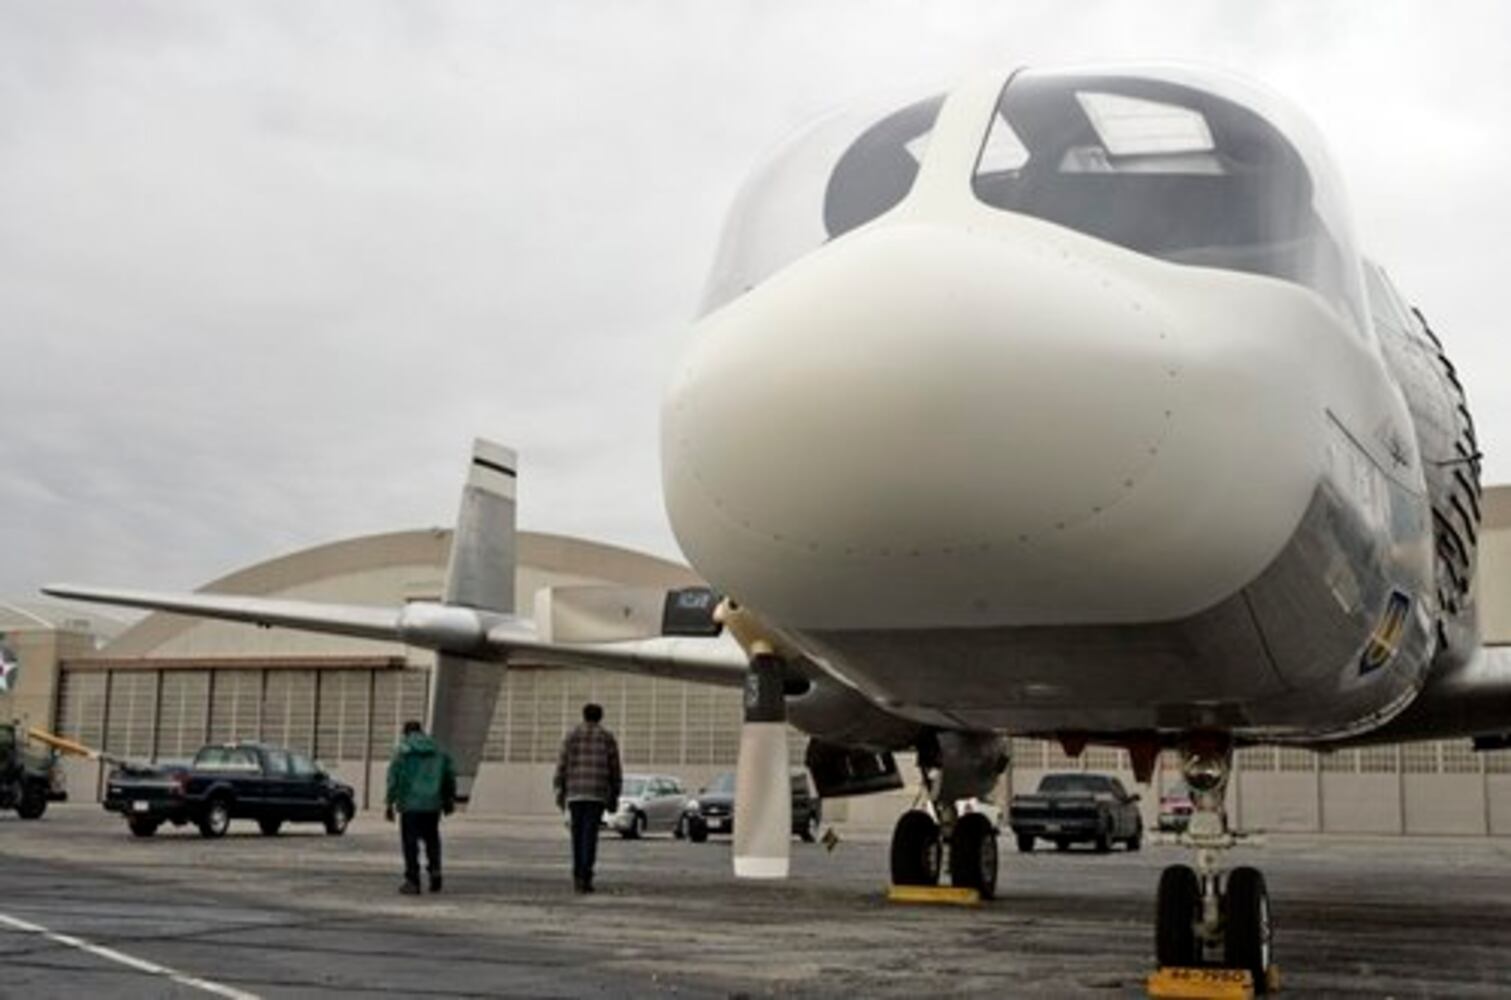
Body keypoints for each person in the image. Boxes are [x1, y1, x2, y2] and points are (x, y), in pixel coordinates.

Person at [553, 702, 622, 894]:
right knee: (590, 835)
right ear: (600, 717)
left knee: (577, 834)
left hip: (575, 792)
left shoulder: (572, 735)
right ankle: (586, 875)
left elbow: (562, 763)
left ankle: (577, 874)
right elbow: (615, 768)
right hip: (596, 793)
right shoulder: (607, 738)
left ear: (584, 716)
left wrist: (559, 789)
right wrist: (614, 793)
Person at [385, 719, 457, 895]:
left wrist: (389, 802)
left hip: (410, 805)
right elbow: (449, 777)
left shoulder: (402, 751)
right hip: (432, 805)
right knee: (432, 838)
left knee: (410, 843)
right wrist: (448, 799)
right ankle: (435, 871)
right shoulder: (439, 751)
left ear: (406, 733)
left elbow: (393, 778)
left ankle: (413, 880)